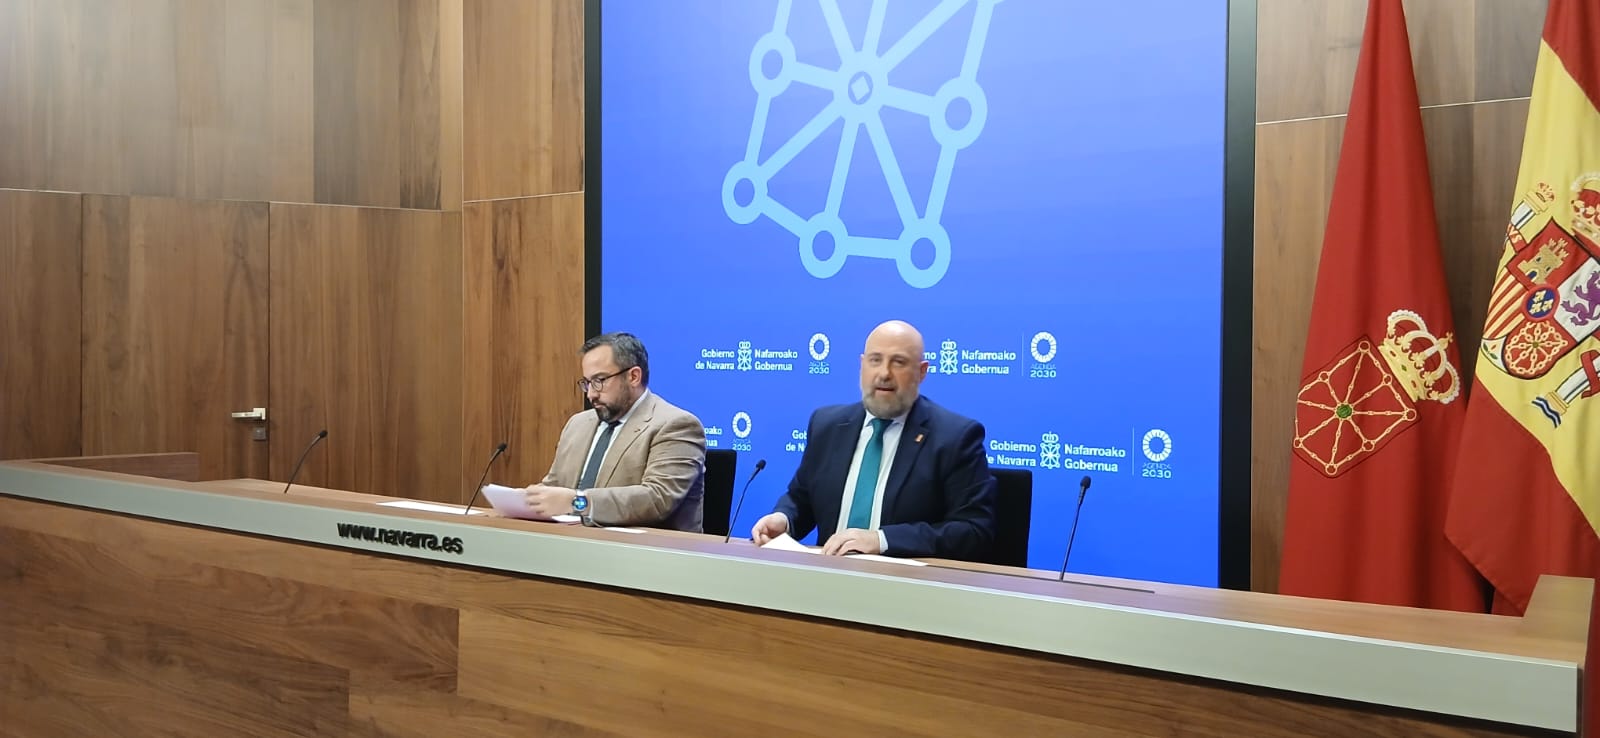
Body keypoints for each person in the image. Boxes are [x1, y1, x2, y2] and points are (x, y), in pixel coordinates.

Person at [751, 320, 997, 560]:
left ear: (922, 372)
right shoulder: (827, 425)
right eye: (875, 360)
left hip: (907, 588)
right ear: (862, 365)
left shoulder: (954, 437)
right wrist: (784, 519)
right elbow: (801, 498)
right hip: (827, 579)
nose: (884, 374)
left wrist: (882, 540)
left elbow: (974, 531)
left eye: (898, 362)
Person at [523, 332, 707, 531]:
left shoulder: (676, 425)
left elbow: (657, 499)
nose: (591, 394)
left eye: (599, 380)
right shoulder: (577, 424)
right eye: (587, 383)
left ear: (634, 376)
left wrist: (577, 502)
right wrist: (527, 501)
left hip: (644, 555)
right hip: (571, 546)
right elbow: (555, 486)